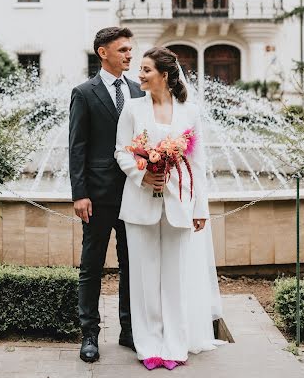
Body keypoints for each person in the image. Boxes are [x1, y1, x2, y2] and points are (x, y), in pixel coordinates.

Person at [115, 46, 225, 370]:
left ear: (163, 74)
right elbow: (121, 152)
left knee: (175, 278)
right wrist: (143, 174)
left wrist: (199, 208)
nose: (140, 75)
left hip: (180, 205)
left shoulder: (190, 112)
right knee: (145, 279)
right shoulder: (133, 109)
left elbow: (198, 162)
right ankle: (148, 346)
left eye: (146, 70)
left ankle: (175, 346)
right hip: (138, 206)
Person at [69, 26, 145, 363]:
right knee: (91, 265)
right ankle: (89, 334)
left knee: (133, 264)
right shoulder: (84, 93)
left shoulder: (139, 91)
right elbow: (77, 147)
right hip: (97, 197)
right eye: (123, 50)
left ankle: (129, 331)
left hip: (135, 193)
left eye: (131, 50)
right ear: (103, 52)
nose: (130, 55)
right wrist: (80, 193)